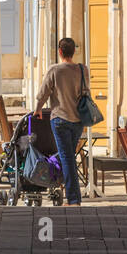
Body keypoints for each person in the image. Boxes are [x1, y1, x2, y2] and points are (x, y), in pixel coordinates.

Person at [35, 37, 88, 206]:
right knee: (69, 157)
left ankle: (73, 199)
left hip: (59, 119)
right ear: (74, 51)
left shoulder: (55, 70)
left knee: (67, 158)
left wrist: (37, 109)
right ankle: (69, 194)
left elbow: (43, 93)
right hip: (78, 119)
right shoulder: (82, 69)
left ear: (60, 51)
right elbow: (86, 92)